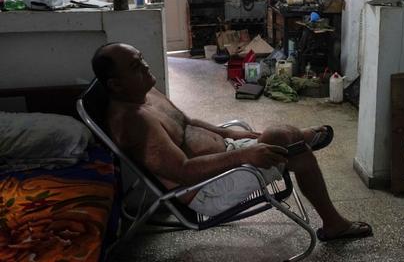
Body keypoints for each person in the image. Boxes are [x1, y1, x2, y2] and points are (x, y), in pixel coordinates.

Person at [91, 43, 372, 242]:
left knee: (292, 147)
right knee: (286, 143)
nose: (145, 65)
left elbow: (185, 122)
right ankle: (329, 210)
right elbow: (184, 171)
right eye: (135, 66)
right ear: (115, 85)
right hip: (206, 191)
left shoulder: (145, 92)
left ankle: (302, 142)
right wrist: (243, 156)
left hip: (221, 159)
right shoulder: (133, 121)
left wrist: (230, 135)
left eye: (141, 59)